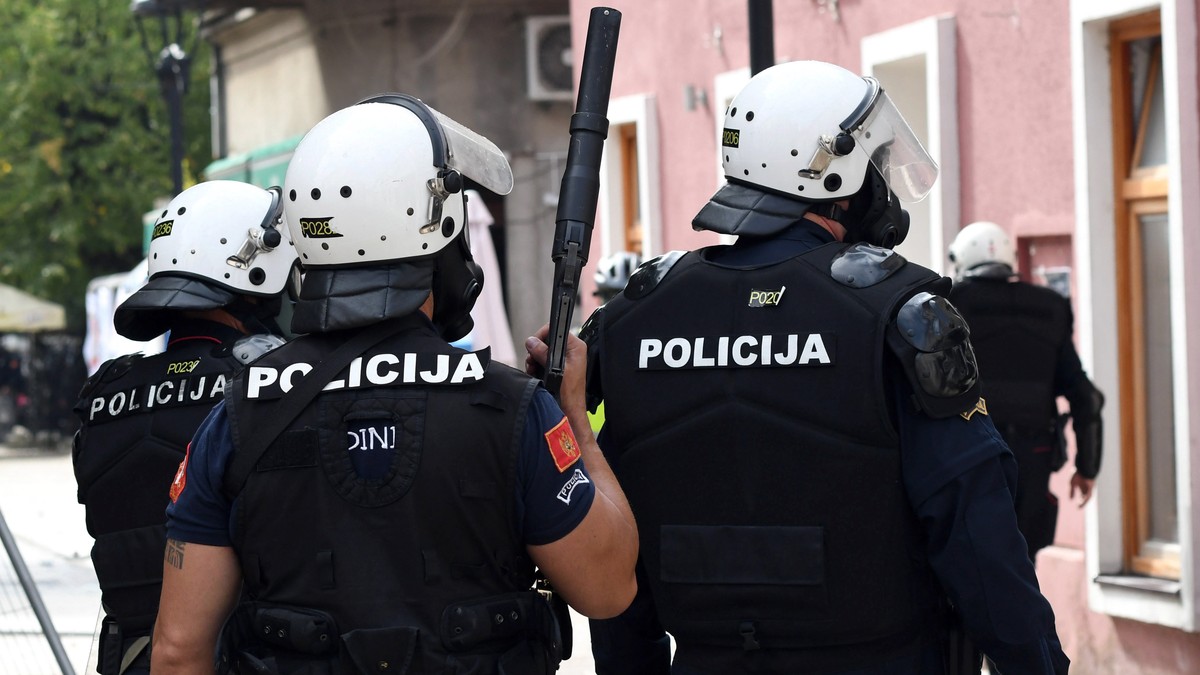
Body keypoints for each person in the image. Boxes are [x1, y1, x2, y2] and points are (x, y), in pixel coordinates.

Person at [581, 60, 1069, 675]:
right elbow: (978, 536)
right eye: (874, 164)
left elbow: (610, 540)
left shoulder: (633, 320)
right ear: (833, 175)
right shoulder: (897, 317)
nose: (881, 185)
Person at [149, 94, 638, 674]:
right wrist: (574, 417)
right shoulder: (510, 408)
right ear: (442, 241)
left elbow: (178, 651)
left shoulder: (238, 415)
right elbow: (609, 589)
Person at [72, 180, 300, 675]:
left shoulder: (103, 394)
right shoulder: (267, 386)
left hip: (128, 658)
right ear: (259, 275)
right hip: (236, 655)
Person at [948, 220, 1104, 562]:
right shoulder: (1050, 307)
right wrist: (1087, 467)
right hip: (1034, 455)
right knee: (1021, 563)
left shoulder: (950, 302)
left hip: (970, 453)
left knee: (968, 562)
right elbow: (1086, 397)